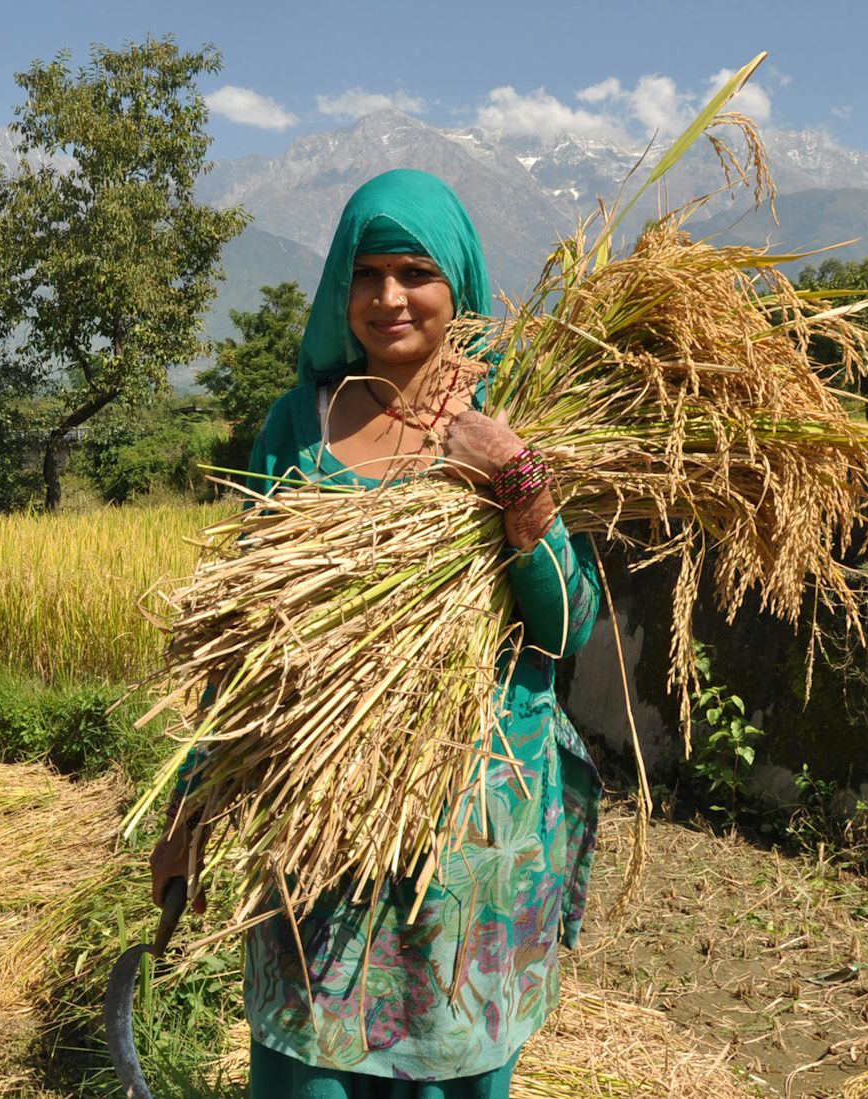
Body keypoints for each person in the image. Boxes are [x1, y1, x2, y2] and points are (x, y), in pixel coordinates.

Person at [148, 169, 603, 1097]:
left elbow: (567, 624)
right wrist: (192, 807)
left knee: (451, 1067)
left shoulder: (519, 421)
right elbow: (245, 649)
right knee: (308, 1063)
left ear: (459, 287)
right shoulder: (296, 427)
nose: (389, 297)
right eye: (367, 273)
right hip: (320, 823)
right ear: (339, 289)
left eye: (415, 272)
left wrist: (516, 476)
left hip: (469, 823)